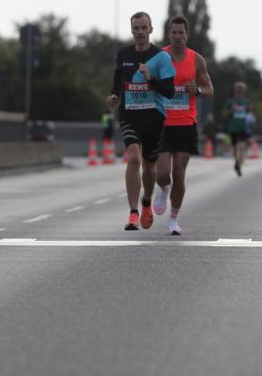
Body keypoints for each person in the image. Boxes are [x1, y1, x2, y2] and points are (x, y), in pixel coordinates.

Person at [106, 12, 175, 231]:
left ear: (151, 30)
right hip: (130, 114)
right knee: (133, 159)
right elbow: (118, 80)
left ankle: (147, 202)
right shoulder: (124, 54)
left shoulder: (161, 57)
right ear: (132, 31)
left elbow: (170, 92)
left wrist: (150, 78)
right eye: (135, 29)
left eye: (143, 28)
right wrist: (115, 95)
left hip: (154, 116)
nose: (139, 33)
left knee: (150, 167)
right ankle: (133, 213)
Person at [153, 16, 214, 235]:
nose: (177, 37)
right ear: (169, 34)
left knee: (179, 173)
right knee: (163, 174)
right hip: (162, 122)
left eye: (181, 33)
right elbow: (146, 82)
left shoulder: (196, 60)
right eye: (174, 32)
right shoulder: (159, 57)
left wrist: (196, 90)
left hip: (186, 123)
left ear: (187, 35)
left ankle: (173, 219)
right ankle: (162, 189)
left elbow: (209, 89)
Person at [222, 81, 251, 176]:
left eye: (241, 91)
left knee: (241, 147)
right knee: (235, 149)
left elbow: (250, 111)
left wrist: (249, 109)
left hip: (242, 128)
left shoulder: (246, 101)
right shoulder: (230, 101)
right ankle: (237, 162)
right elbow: (223, 114)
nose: (239, 93)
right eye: (237, 91)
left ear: (244, 92)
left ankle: (238, 165)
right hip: (232, 129)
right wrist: (232, 110)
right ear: (234, 91)